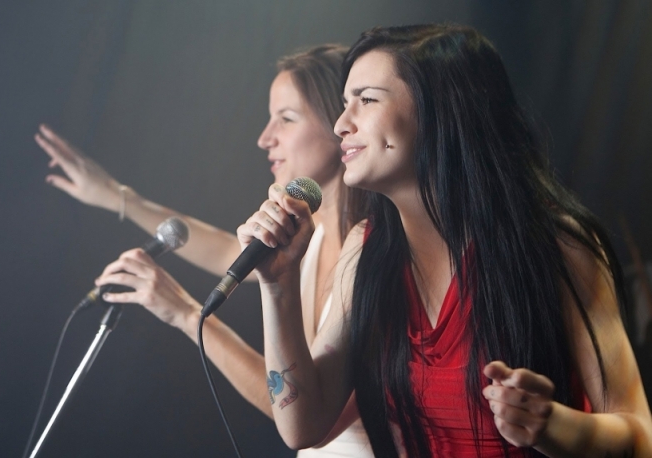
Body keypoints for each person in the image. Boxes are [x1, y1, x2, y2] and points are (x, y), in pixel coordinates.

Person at [237, 24, 652, 457]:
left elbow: (640, 436)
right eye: (345, 104)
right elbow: (301, 427)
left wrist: (555, 426)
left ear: (440, 111)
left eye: (367, 99)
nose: (342, 124)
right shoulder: (366, 252)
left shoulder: (561, 248)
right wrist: (278, 285)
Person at [38, 45, 373, 456]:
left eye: (285, 119)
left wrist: (185, 313)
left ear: (338, 123)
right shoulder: (314, 239)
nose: (265, 138)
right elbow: (222, 248)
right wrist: (115, 196)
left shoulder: (372, 251)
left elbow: (298, 411)